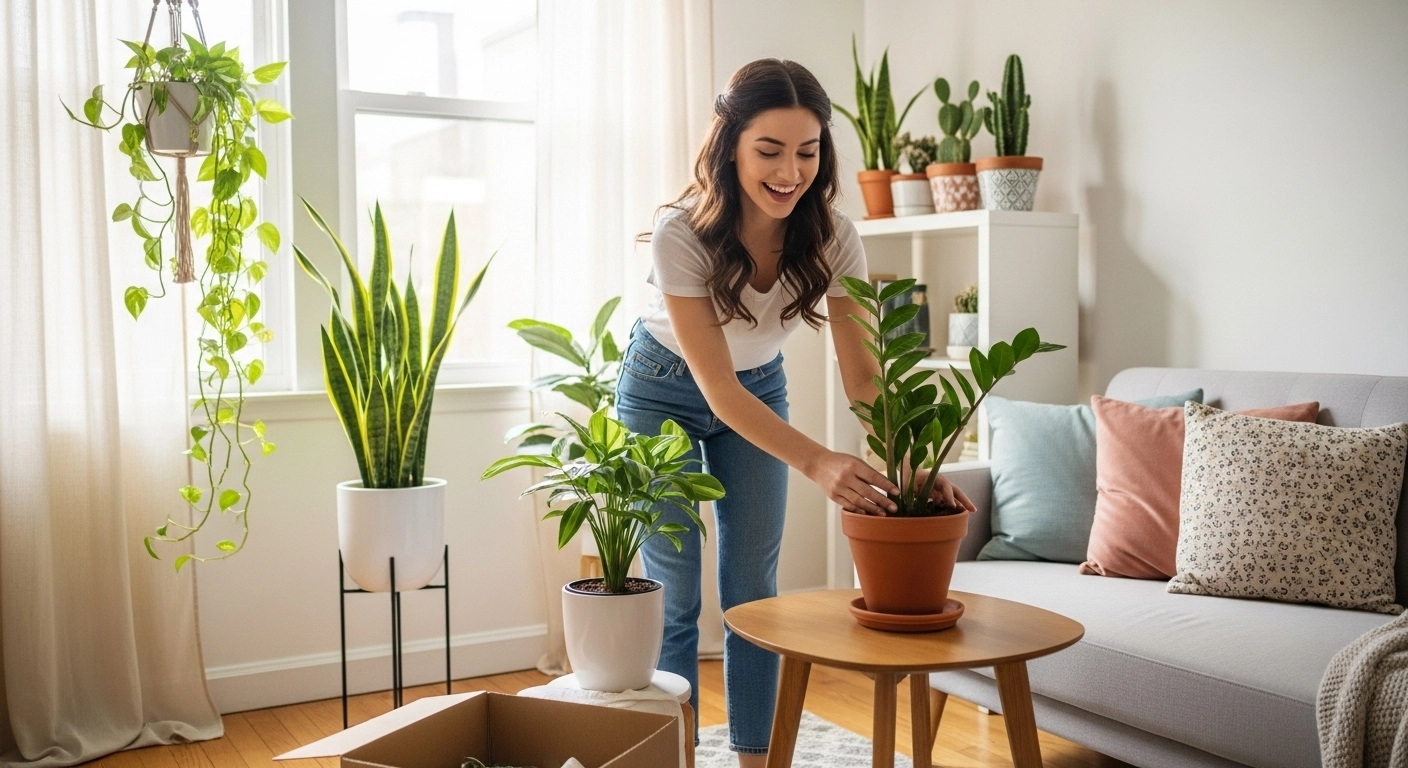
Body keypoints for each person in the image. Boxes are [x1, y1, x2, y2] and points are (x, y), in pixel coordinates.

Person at [615, 58, 975, 766]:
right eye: (769, 151)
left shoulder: (834, 235)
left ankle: (756, 758)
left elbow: (864, 374)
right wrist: (817, 460)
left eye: (806, 152)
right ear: (730, 148)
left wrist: (907, 463)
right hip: (662, 391)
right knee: (675, 592)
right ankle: (676, 756)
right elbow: (715, 390)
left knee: (754, 596)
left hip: (760, 388)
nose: (789, 172)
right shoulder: (680, 234)